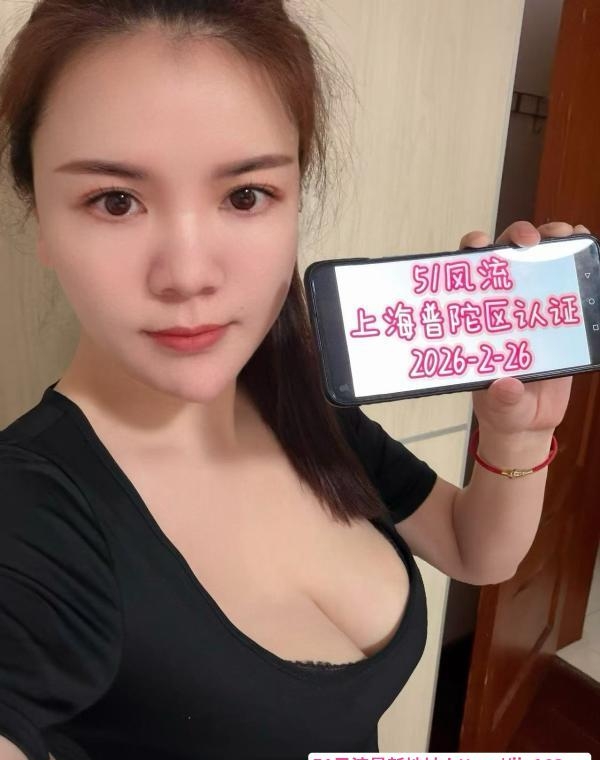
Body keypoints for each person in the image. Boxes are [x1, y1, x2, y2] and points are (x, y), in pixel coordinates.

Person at [0, 2, 589, 759]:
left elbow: (474, 550)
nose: (188, 274)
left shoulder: (296, 402)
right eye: (116, 201)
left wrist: (519, 434)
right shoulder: (32, 521)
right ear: (41, 219)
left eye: (245, 195)